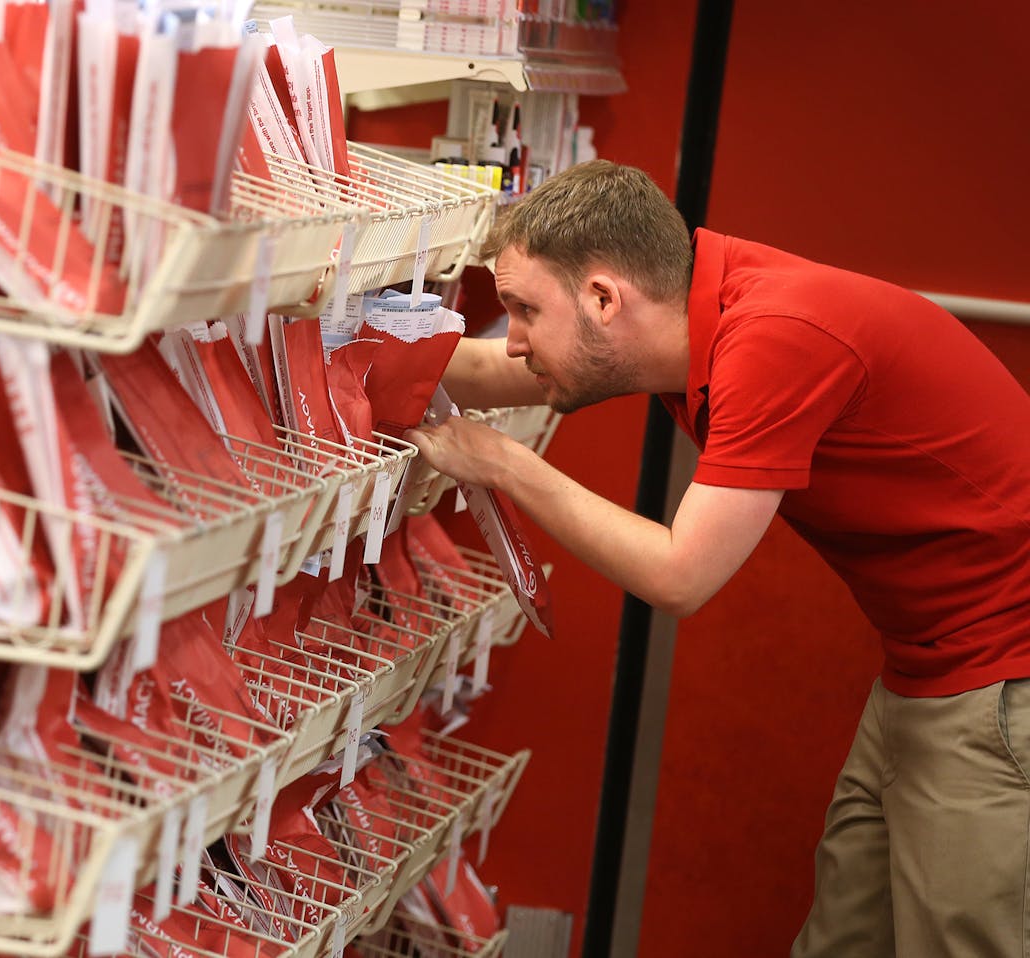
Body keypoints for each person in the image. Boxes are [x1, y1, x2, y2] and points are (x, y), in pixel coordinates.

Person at [405, 159, 1030, 957]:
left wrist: (500, 462)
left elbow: (679, 574)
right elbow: (503, 368)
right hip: (931, 664)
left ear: (604, 298)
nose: (514, 336)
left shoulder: (774, 340)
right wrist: (361, 336)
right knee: (844, 939)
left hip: (999, 674)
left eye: (524, 309)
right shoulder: (687, 309)